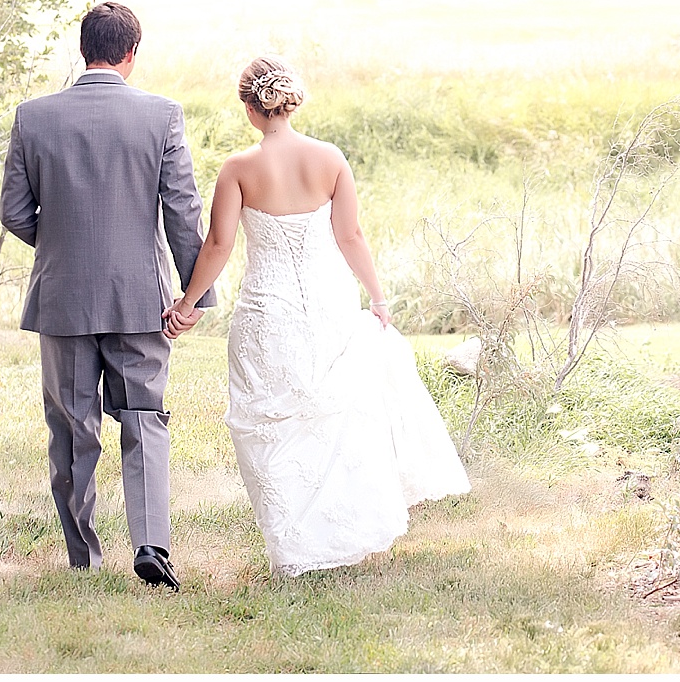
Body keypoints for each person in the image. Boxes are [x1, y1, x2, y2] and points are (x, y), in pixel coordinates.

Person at [163, 55, 470, 576]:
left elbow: (217, 244)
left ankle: (295, 547)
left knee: (270, 424)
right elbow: (350, 236)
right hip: (328, 306)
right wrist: (378, 297)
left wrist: (187, 304)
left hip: (267, 312)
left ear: (249, 106)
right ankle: (338, 535)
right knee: (333, 421)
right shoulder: (330, 159)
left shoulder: (239, 169)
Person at [0, 1, 211, 590]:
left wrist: (61, 243)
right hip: (141, 298)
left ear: (84, 48)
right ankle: (151, 545)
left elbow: (14, 212)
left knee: (72, 427)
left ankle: (83, 557)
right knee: (144, 417)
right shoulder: (161, 115)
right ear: (131, 55)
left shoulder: (33, 117)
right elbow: (183, 211)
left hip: (62, 297)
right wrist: (192, 296)